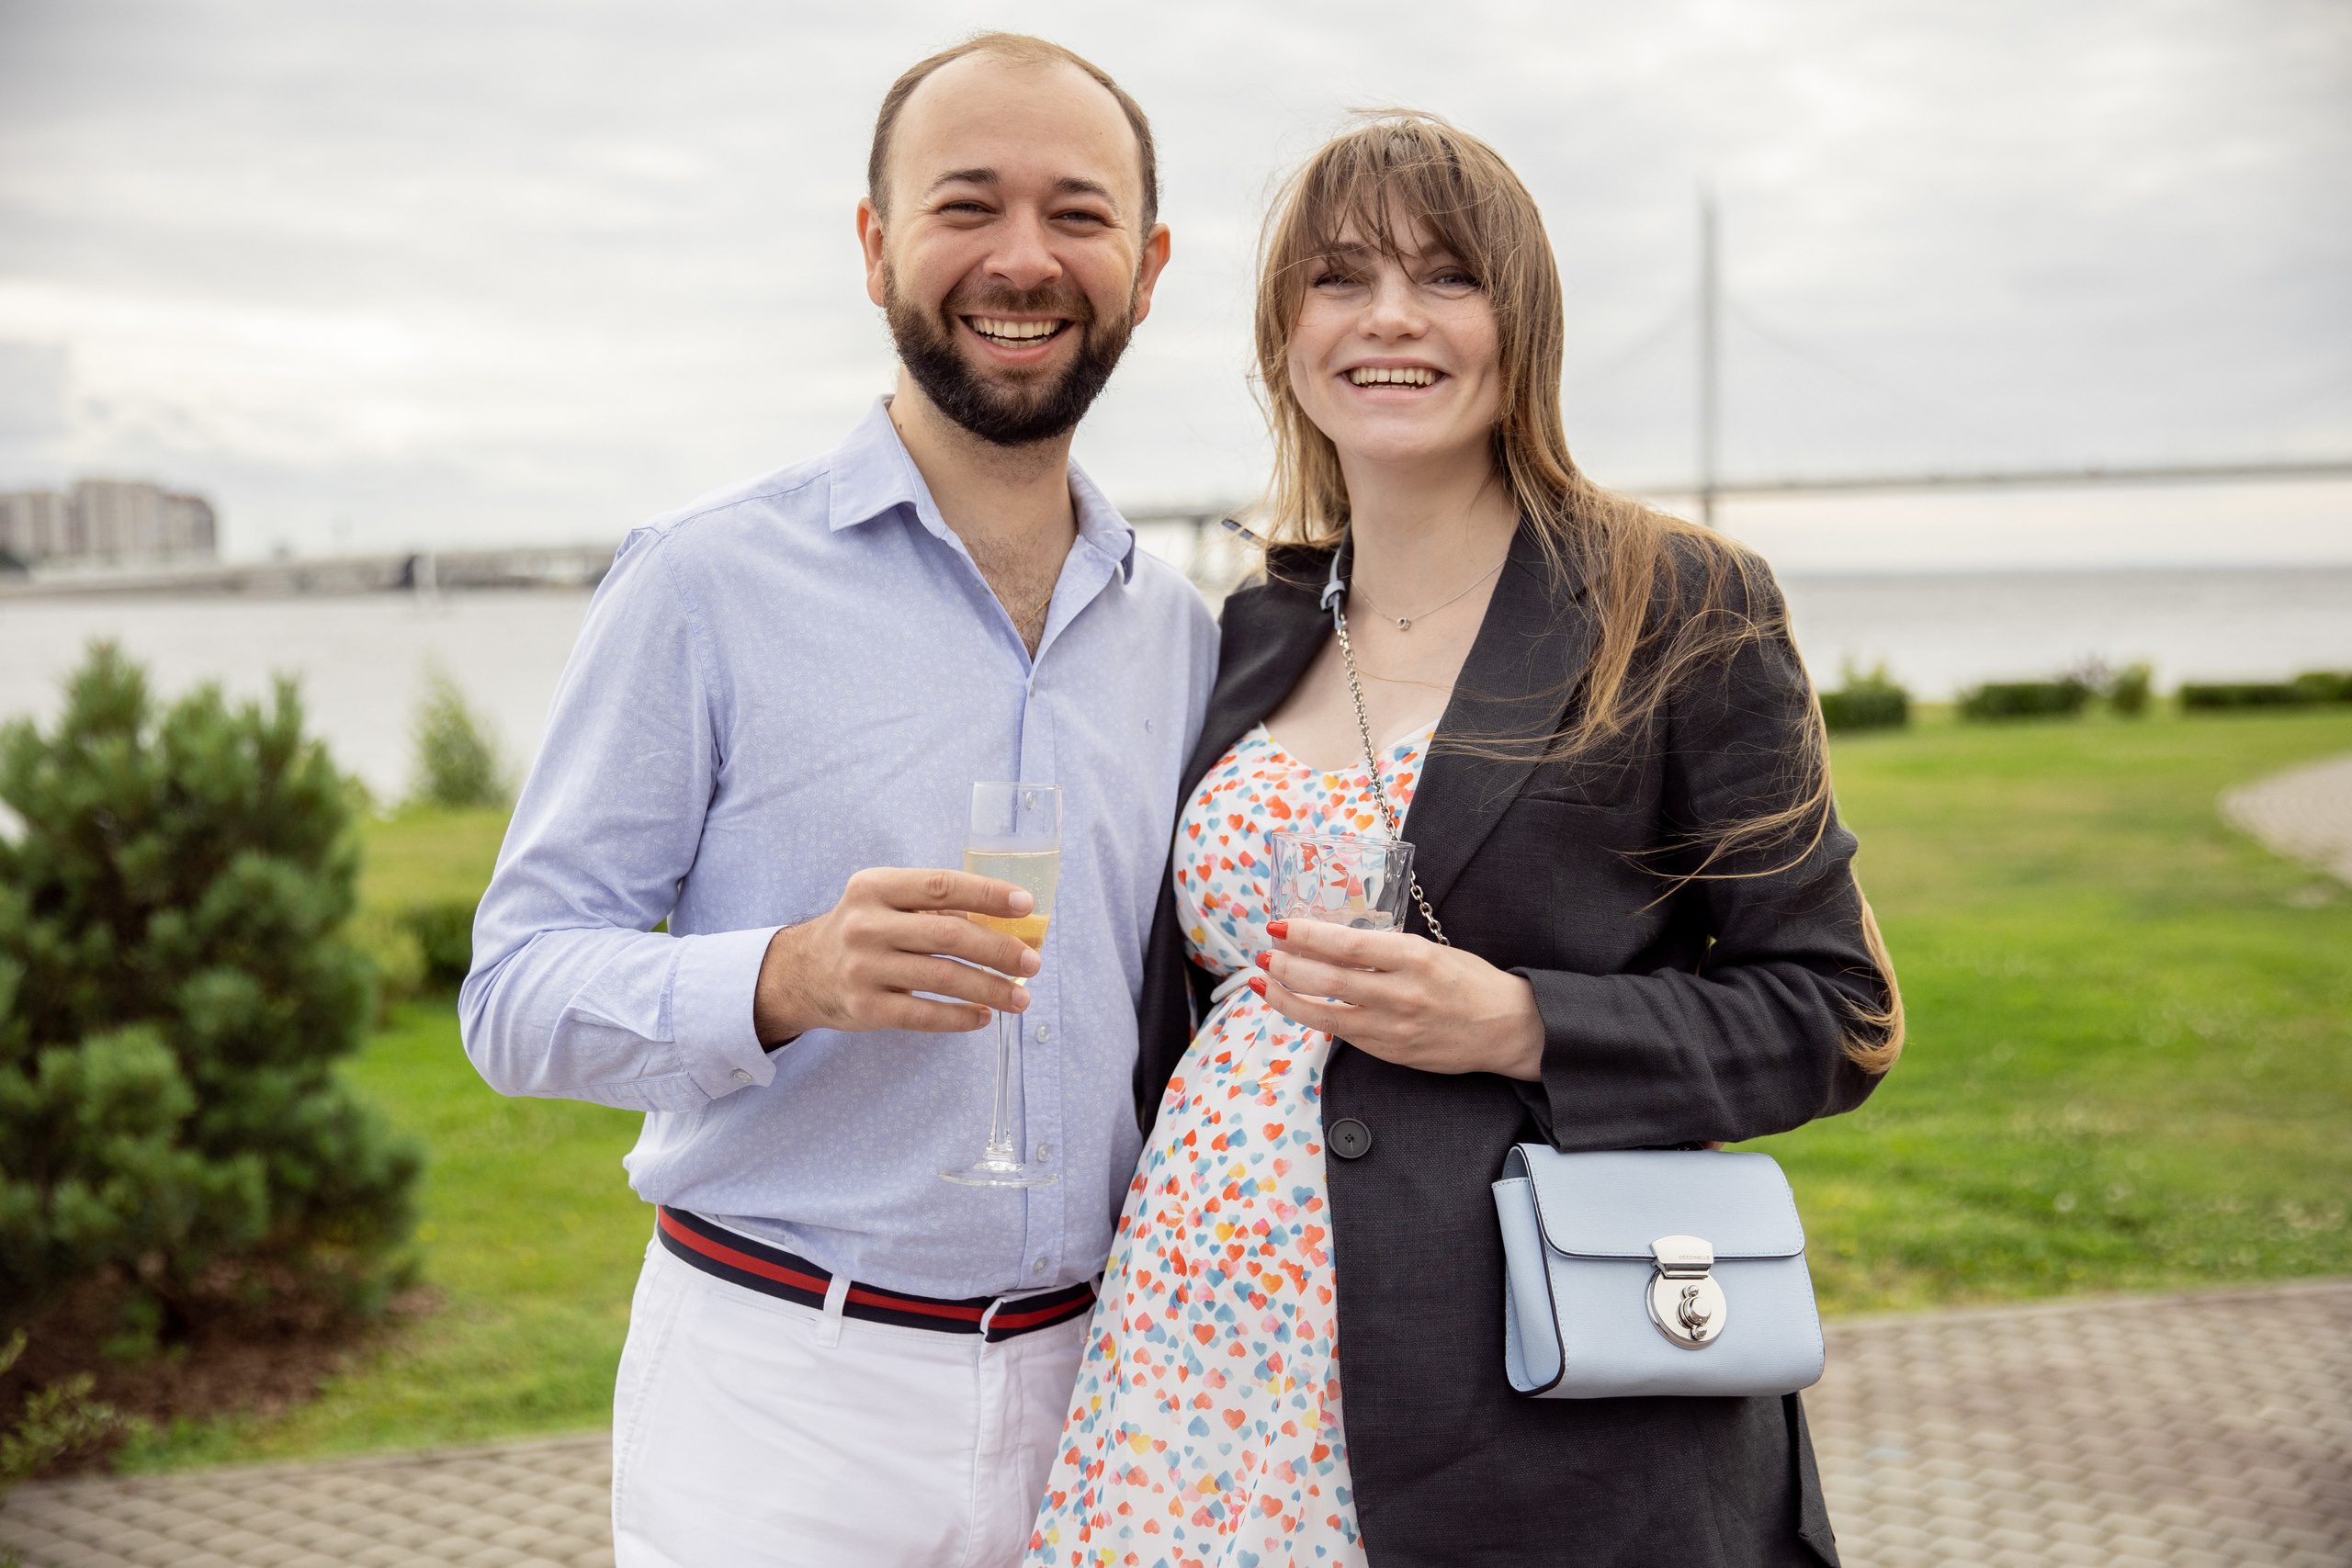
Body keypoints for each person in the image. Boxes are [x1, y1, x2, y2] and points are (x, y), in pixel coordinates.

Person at [1026, 113, 1902, 1568]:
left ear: (1522, 322)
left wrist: (1522, 1024)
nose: (1388, 319)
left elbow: (1836, 1013)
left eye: (1446, 276)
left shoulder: (1677, 601)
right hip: (1192, 1376)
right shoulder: (1256, 624)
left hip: (1515, 1408)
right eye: (1339, 279)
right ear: (1282, 334)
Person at [459, 33, 1217, 1568]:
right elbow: (513, 995)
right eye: (966, 206)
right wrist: (783, 977)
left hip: (1120, 1391)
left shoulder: (1185, 636)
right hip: (780, 1398)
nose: (1024, 258)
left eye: (1077, 215)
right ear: (875, 248)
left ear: (1146, 266)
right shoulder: (703, 582)